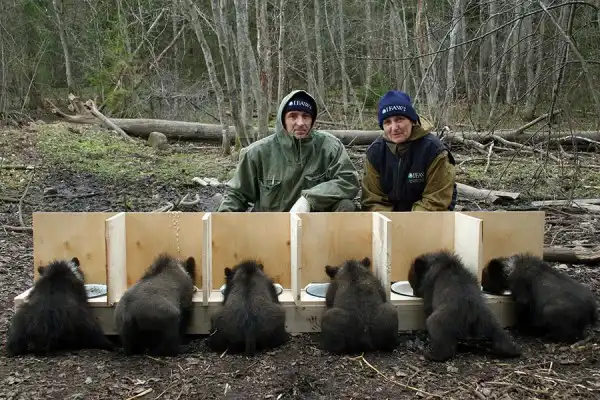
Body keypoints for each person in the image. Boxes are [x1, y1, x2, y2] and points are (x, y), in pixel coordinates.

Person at [217, 90, 360, 212]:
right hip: (271, 226)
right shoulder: (257, 152)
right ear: (283, 119)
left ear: (312, 119)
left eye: (306, 116)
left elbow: (348, 181)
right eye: (293, 116)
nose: (300, 123)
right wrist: (221, 224)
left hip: (316, 225)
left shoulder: (330, 147)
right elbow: (237, 194)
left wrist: (309, 199)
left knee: (347, 205)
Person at [360, 90, 457, 212]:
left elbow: (435, 201)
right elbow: (373, 200)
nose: (394, 128)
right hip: (389, 218)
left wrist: (408, 222)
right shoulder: (375, 153)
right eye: (387, 122)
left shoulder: (434, 151)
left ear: (412, 120)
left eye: (399, 119)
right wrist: (389, 221)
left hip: (427, 215)